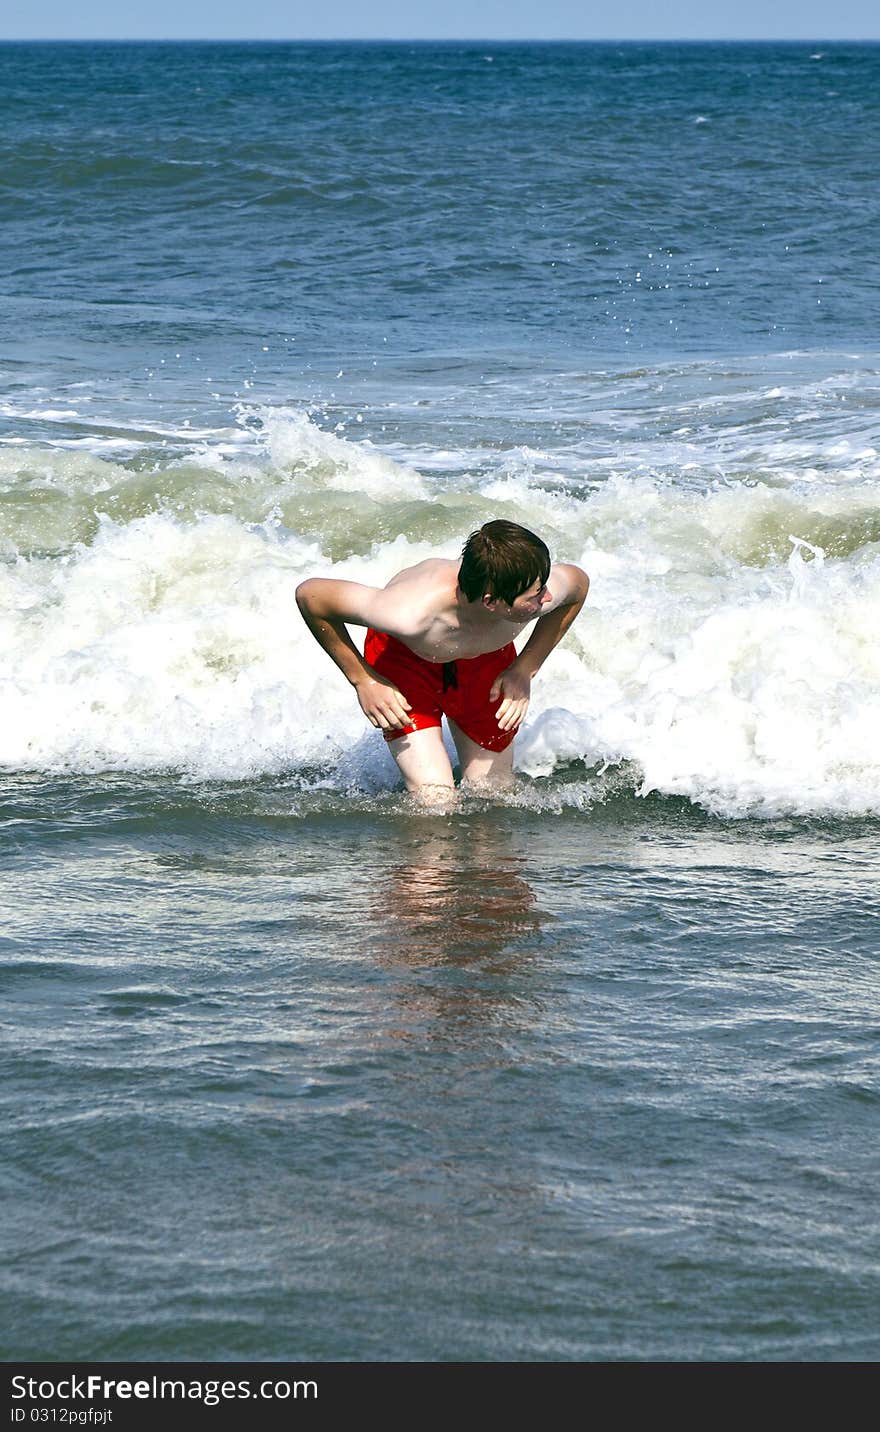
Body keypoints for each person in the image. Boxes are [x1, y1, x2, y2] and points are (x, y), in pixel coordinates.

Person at [295, 519, 589, 798]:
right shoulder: (408, 613)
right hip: (407, 662)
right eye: (536, 594)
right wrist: (363, 680)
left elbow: (578, 585)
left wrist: (525, 668)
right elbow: (311, 596)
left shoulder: (530, 594)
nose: (547, 599)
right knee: (435, 800)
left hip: (485, 662)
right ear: (491, 602)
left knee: (493, 795)